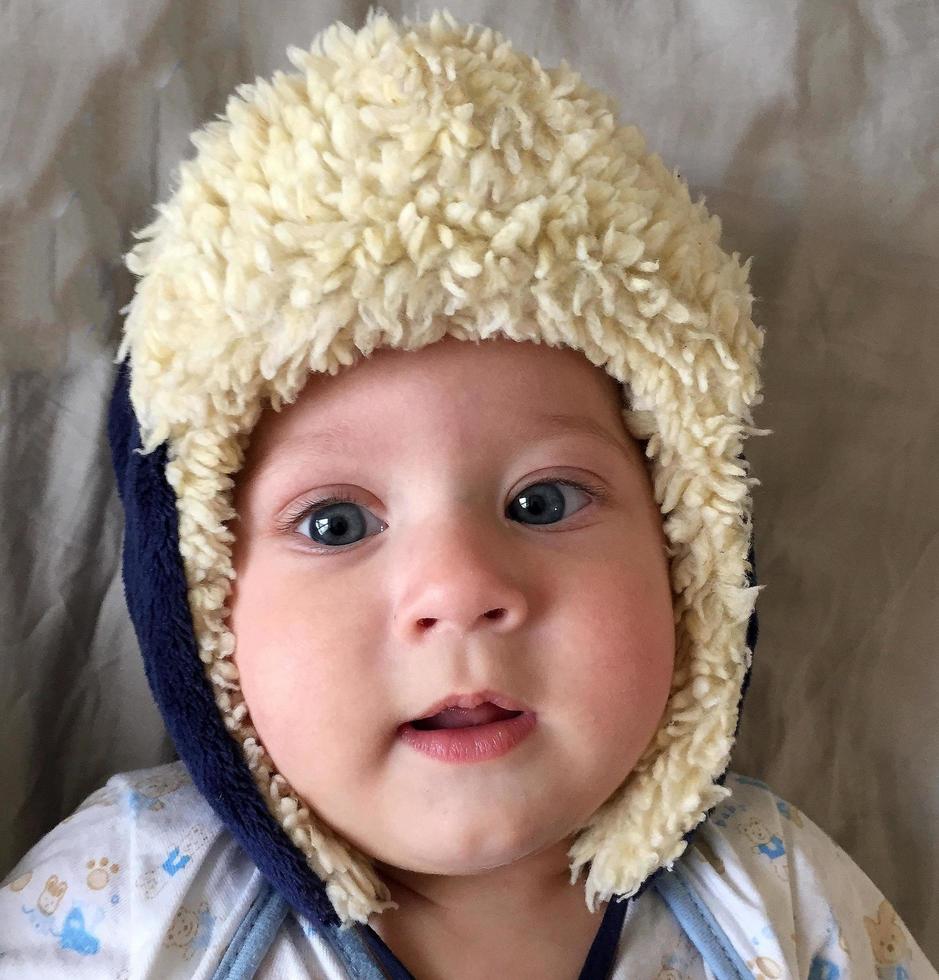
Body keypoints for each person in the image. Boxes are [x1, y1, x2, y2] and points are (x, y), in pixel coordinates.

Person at [0, 7, 934, 978]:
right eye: (336, 521)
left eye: (543, 501)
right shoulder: (130, 893)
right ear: (197, 604)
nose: (458, 586)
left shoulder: (775, 899)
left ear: (689, 549)